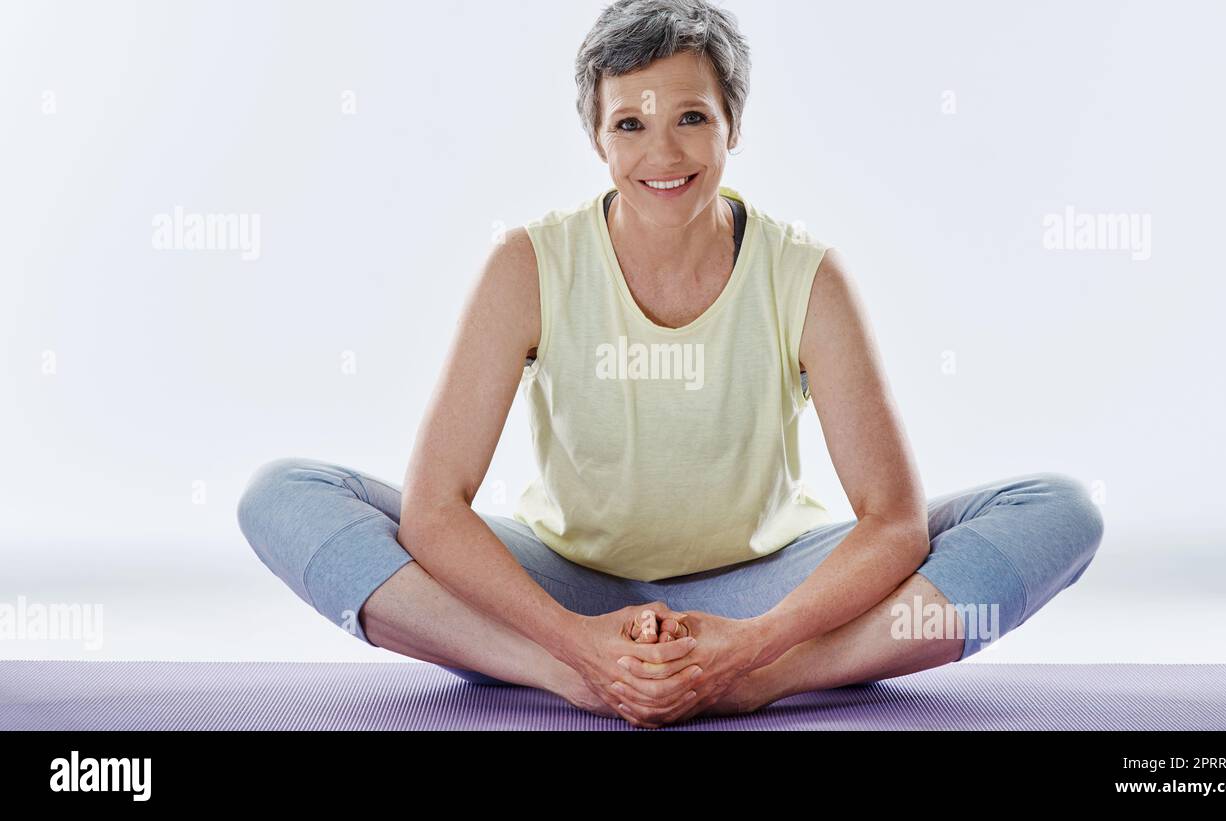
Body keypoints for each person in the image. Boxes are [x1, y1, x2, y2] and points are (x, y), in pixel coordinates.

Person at [237, 0, 1104, 729]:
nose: (664, 152)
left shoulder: (808, 275)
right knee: (284, 493)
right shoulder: (528, 266)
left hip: (766, 591)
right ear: (597, 137)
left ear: (732, 126)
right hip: (568, 587)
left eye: (692, 116)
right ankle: (560, 679)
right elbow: (433, 509)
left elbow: (891, 522)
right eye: (631, 123)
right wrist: (576, 646)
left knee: (1059, 511)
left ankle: (759, 684)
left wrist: (755, 647)